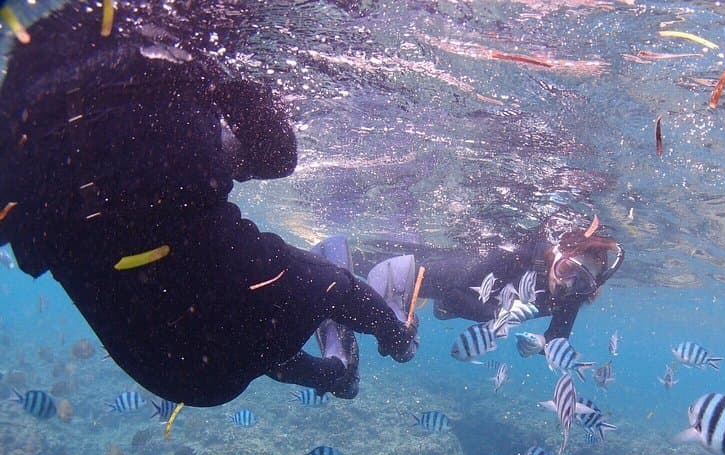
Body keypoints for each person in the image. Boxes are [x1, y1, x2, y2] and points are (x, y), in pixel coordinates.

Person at [0, 2, 417, 407]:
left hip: (152, 360)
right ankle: (393, 338)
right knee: (328, 290)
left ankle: (336, 374)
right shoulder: (172, 52)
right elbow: (277, 157)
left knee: (251, 335)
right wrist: (232, 96)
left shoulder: (21, 95)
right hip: (228, 320)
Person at [355, 216, 624, 343]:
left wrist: (539, 345)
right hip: (438, 279)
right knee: (366, 264)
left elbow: (556, 337)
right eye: (567, 270)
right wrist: (497, 314)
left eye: (583, 283)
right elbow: (453, 294)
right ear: (556, 254)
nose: (568, 284)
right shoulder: (517, 255)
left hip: (467, 302)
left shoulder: (573, 293)